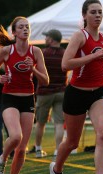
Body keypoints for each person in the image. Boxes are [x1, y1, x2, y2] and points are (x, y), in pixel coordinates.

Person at [49, 1, 103, 174]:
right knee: (72, 142)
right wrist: (93, 58)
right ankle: (57, 170)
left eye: (100, 12)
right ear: (85, 15)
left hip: (98, 93)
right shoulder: (79, 36)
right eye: (93, 12)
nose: (97, 15)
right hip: (76, 93)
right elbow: (65, 64)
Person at [0, 16, 49, 174]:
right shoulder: (6, 51)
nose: (25, 29)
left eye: (27, 27)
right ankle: (2, 159)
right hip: (9, 98)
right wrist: (0, 78)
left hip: (28, 100)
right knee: (15, 136)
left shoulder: (36, 52)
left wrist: (33, 68)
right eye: (21, 27)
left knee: (22, 149)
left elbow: (46, 80)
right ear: (14, 32)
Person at [32, 29, 67, 158]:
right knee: (59, 123)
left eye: (46, 37)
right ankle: (58, 151)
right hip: (61, 92)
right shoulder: (65, 53)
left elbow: (35, 71)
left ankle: (38, 149)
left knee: (40, 123)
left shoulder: (43, 53)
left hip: (44, 92)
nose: (45, 39)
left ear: (51, 39)